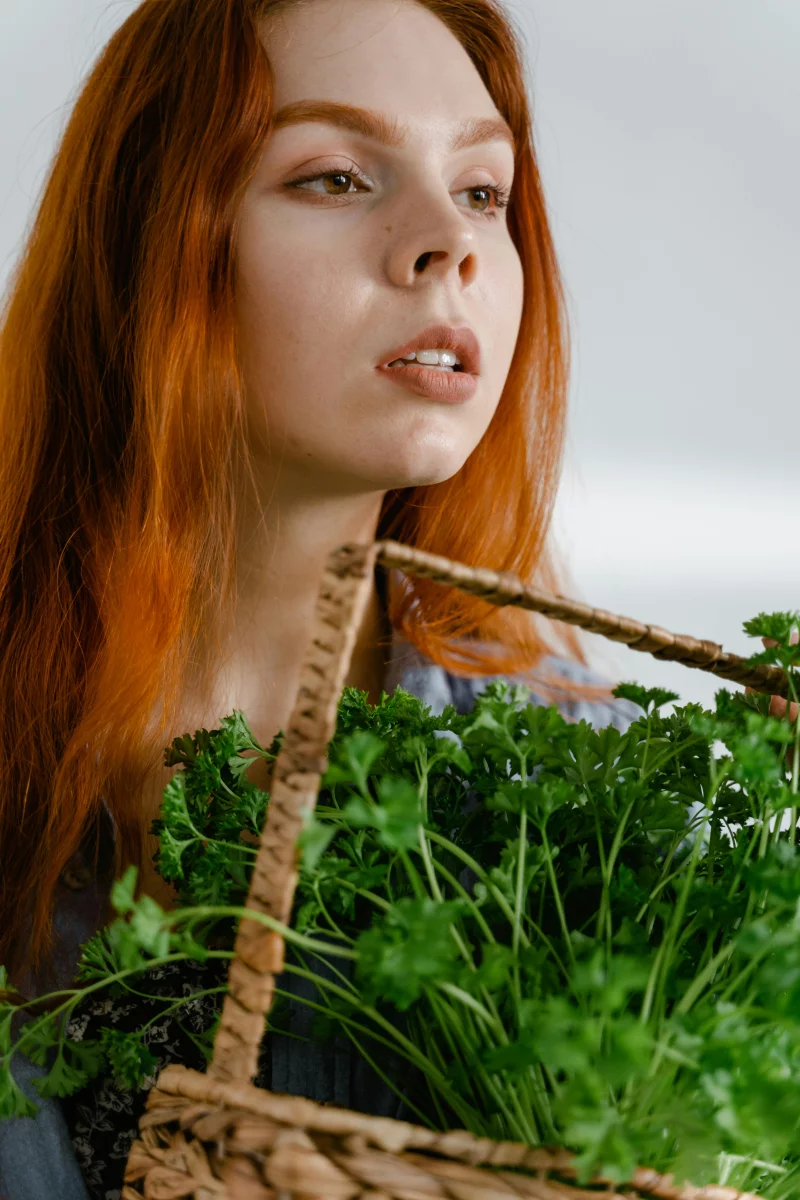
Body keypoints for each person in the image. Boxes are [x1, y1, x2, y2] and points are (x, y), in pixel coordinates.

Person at [1, 1, 791, 1197]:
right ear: (149, 237)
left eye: (482, 191)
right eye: (332, 177)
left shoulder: (583, 808)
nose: (449, 243)